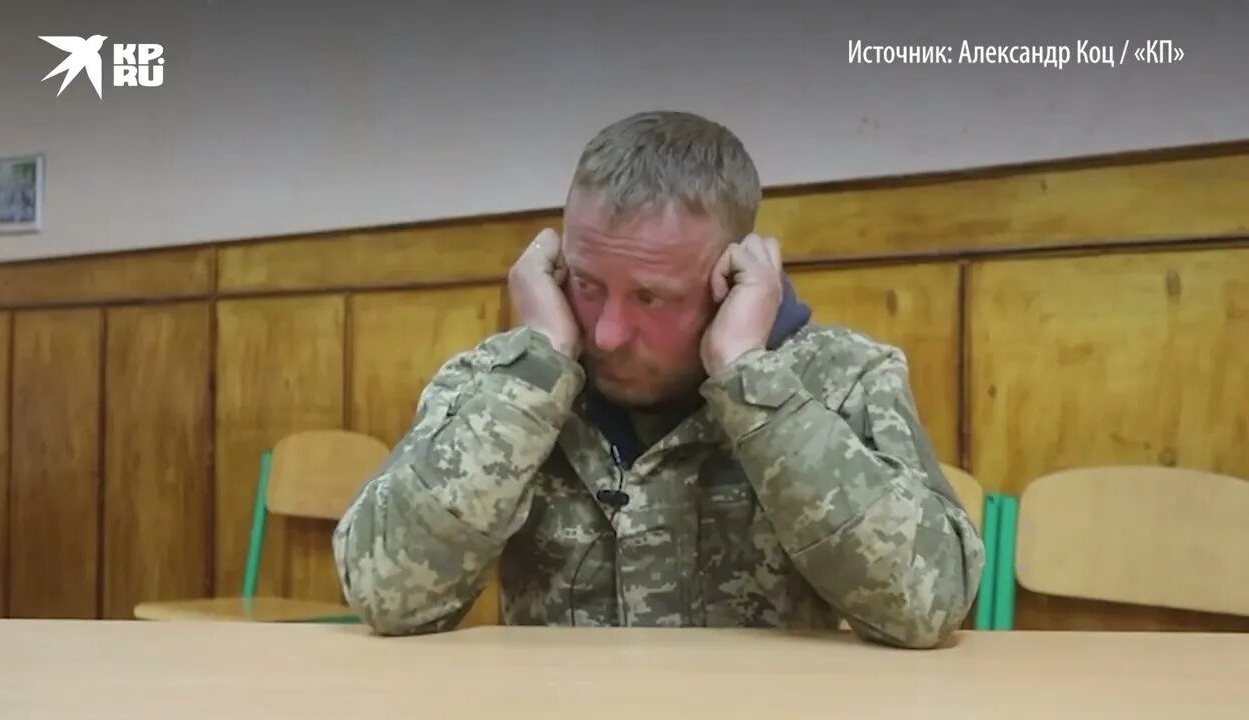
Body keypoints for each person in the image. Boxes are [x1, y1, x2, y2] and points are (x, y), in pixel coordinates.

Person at [332, 110, 984, 649]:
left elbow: (926, 607)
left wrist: (753, 388)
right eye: (587, 285)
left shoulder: (839, 378)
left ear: (734, 281)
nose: (608, 332)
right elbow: (385, 595)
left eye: (651, 297)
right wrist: (533, 377)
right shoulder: (500, 381)